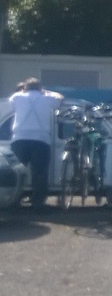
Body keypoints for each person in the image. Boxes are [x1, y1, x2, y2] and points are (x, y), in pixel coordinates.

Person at [9, 78, 63, 213]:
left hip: (19, 139)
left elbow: (12, 103)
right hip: (40, 139)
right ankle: (38, 203)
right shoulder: (47, 98)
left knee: (17, 171)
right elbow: (60, 98)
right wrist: (46, 92)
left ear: (25, 88)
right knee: (39, 172)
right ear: (40, 88)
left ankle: (13, 200)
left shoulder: (17, 97)